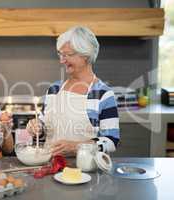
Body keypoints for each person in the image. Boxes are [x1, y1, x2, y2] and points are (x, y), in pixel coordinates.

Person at [27, 26, 120, 156]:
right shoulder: (54, 90)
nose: (62, 60)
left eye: (68, 55)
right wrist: (37, 127)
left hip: (84, 171)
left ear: (86, 55)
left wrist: (76, 147)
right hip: (50, 166)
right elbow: (44, 131)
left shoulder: (102, 94)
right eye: (61, 54)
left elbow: (111, 141)